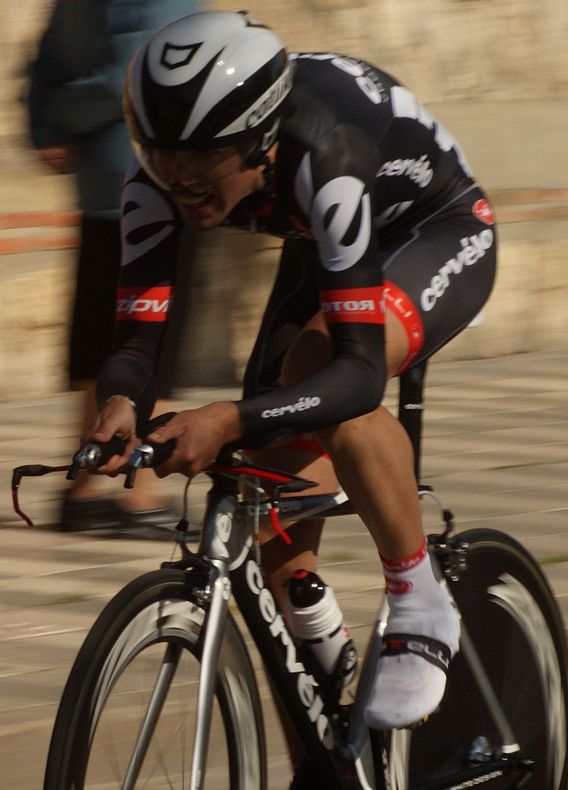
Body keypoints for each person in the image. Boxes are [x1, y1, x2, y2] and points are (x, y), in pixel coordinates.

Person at [88, 9, 497, 782]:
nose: (179, 178)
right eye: (160, 154)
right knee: (266, 493)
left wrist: (225, 416)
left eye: (202, 159)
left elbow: (355, 373)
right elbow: (137, 341)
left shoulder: (325, 151)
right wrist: (120, 402)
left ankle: (417, 595)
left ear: (258, 139)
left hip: (434, 232)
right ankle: (327, 732)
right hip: (325, 248)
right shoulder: (160, 179)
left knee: (318, 374)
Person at [26, 0, 199, 535]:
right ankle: (137, 491)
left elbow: (43, 61)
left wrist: (49, 124)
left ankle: (84, 485)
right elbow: (139, 71)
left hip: (99, 175)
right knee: (153, 327)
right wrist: (61, 116)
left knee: (99, 326)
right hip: (154, 170)